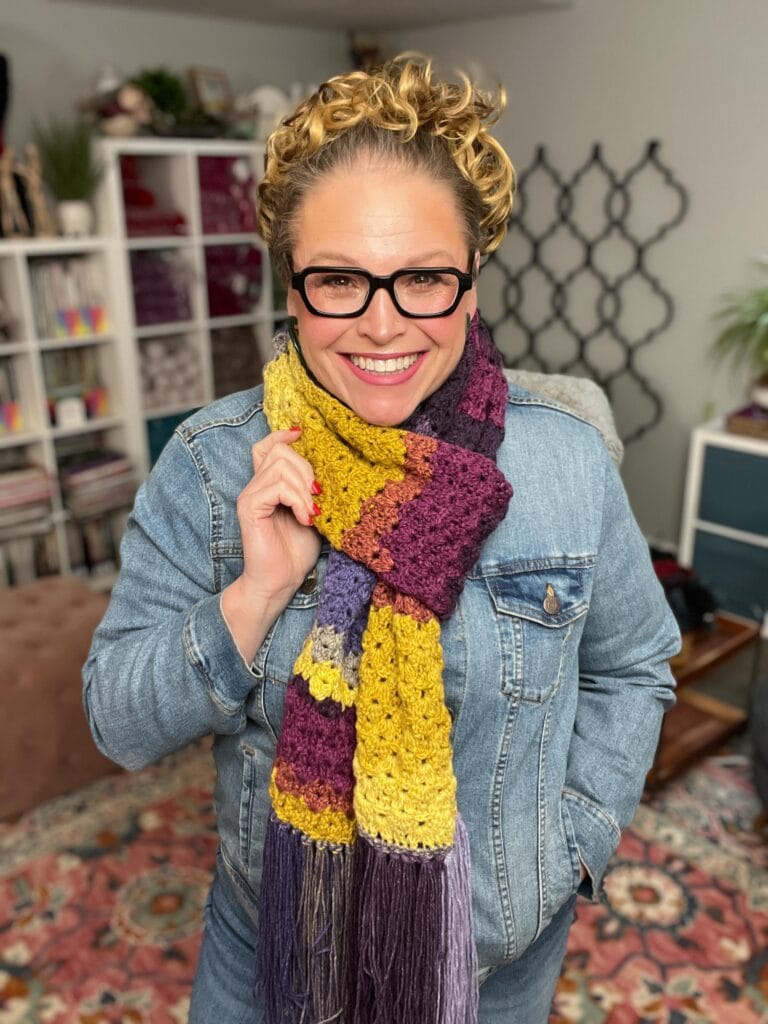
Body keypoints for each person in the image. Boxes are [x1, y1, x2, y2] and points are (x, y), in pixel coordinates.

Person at [83, 54, 680, 1023]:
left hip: (497, 974)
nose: (382, 324)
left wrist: (578, 840)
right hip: (271, 954)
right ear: (291, 287)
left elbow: (637, 664)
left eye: (423, 280)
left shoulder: (567, 466)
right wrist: (254, 595)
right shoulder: (209, 464)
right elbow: (115, 717)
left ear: (472, 282)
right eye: (339, 282)